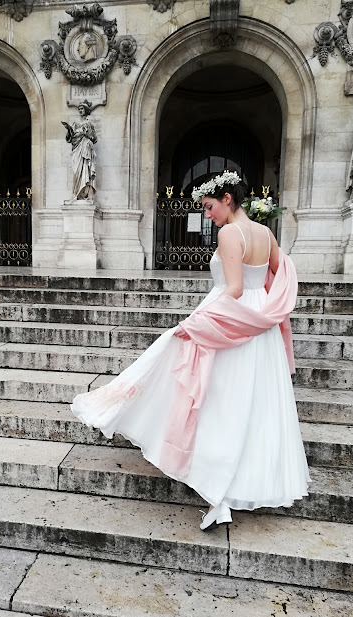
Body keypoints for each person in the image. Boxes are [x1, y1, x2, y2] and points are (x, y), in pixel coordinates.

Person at [71, 170, 310, 531]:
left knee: (222, 402)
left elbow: (232, 290)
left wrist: (196, 322)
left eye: (210, 206)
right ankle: (247, 479)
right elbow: (280, 273)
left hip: (232, 323)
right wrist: (267, 308)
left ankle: (219, 483)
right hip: (262, 328)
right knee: (255, 403)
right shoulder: (265, 233)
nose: (207, 214)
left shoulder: (231, 232)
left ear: (228, 199)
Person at [62, 101, 97, 201]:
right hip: (76, 150)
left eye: (82, 109)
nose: (80, 111)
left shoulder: (89, 124)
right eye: (79, 109)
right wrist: (69, 130)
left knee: (86, 170)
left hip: (86, 149)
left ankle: (86, 194)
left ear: (86, 110)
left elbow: (94, 139)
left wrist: (86, 134)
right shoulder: (75, 124)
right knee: (76, 172)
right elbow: (70, 138)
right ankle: (76, 193)